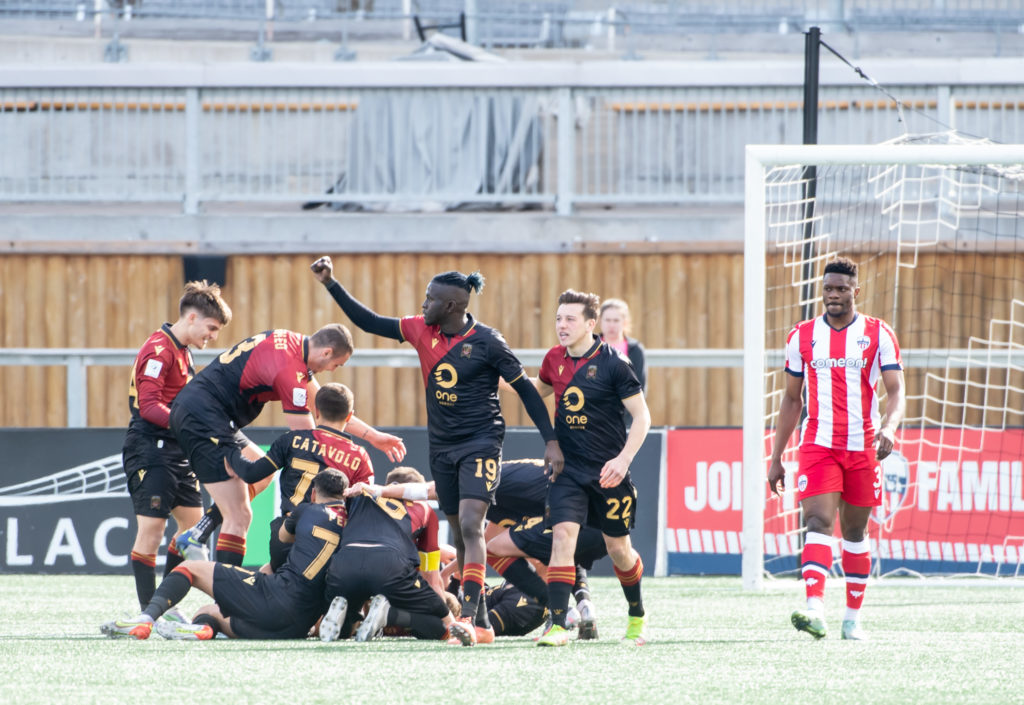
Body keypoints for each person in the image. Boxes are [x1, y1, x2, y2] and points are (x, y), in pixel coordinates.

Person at [310, 255, 563, 646]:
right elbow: (370, 322)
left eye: (430, 299)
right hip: (442, 447)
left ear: (451, 307)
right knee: (459, 534)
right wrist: (331, 284)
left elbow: (528, 392)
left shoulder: (488, 342)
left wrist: (550, 439)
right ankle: (480, 621)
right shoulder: (419, 329)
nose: (423, 305)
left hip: (481, 443)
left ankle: (473, 616)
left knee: (469, 524)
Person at [169, 324, 401, 566]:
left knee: (261, 476)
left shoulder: (291, 343)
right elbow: (310, 439)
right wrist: (343, 455)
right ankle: (225, 598)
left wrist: (373, 436)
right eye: (337, 365)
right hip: (202, 418)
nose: (332, 370)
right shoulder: (290, 371)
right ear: (327, 353)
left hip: (211, 415)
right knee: (239, 515)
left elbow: (324, 407)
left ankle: (198, 534)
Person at [767, 257, 905, 641]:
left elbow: (896, 391)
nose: (833, 296)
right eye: (828, 289)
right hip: (818, 444)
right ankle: (814, 610)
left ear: (855, 292)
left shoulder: (878, 334)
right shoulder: (802, 335)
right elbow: (792, 400)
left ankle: (852, 619)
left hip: (864, 446)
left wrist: (890, 428)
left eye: (841, 289)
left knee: (856, 532)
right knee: (817, 522)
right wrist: (776, 456)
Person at [100, 468, 350, 640]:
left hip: (277, 596)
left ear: (314, 493)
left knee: (190, 568)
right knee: (207, 612)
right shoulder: (353, 523)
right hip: (297, 625)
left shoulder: (307, 509)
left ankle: (146, 619)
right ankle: (204, 631)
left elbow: (279, 545)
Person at [533, 289, 652, 647]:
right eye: (558, 318)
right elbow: (531, 391)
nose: (561, 325)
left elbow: (642, 417)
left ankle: (637, 614)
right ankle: (556, 626)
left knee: (619, 549)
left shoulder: (615, 363)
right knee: (562, 537)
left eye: (570, 319)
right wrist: (486, 374)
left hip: (608, 473)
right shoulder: (553, 358)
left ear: (590, 324)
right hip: (568, 471)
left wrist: (623, 460)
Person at [122, 280, 231, 611]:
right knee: (152, 533)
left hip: (177, 450)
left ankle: (164, 608)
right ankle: (150, 613)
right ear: (193, 317)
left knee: (192, 531)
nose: (212, 336)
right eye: (211, 328)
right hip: (150, 448)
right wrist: (194, 427)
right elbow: (149, 407)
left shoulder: (183, 352)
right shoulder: (158, 349)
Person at [222, 382, 373, 571]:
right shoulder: (359, 456)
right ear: (349, 416)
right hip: (329, 543)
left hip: (284, 538)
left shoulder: (290, 440)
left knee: (272, 572)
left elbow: (252, 474)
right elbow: (365, 509)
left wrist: (230, 452)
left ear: (316, 411)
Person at [319, 467, 454, 643]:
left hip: (344, 565)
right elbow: (431, 578)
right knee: (439, 628)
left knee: (346, 629)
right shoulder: (425, 509)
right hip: (390, 567)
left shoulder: (360, 495)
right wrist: (448, 619)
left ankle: (347, 611)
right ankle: (388, 615)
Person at [598, 298, 647, 393]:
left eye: (616, 320)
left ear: (625, 322)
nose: (611, 325)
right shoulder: (590, 347)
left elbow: (640, 387)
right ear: (600, 321)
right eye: (607, 320)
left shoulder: (635, 349)